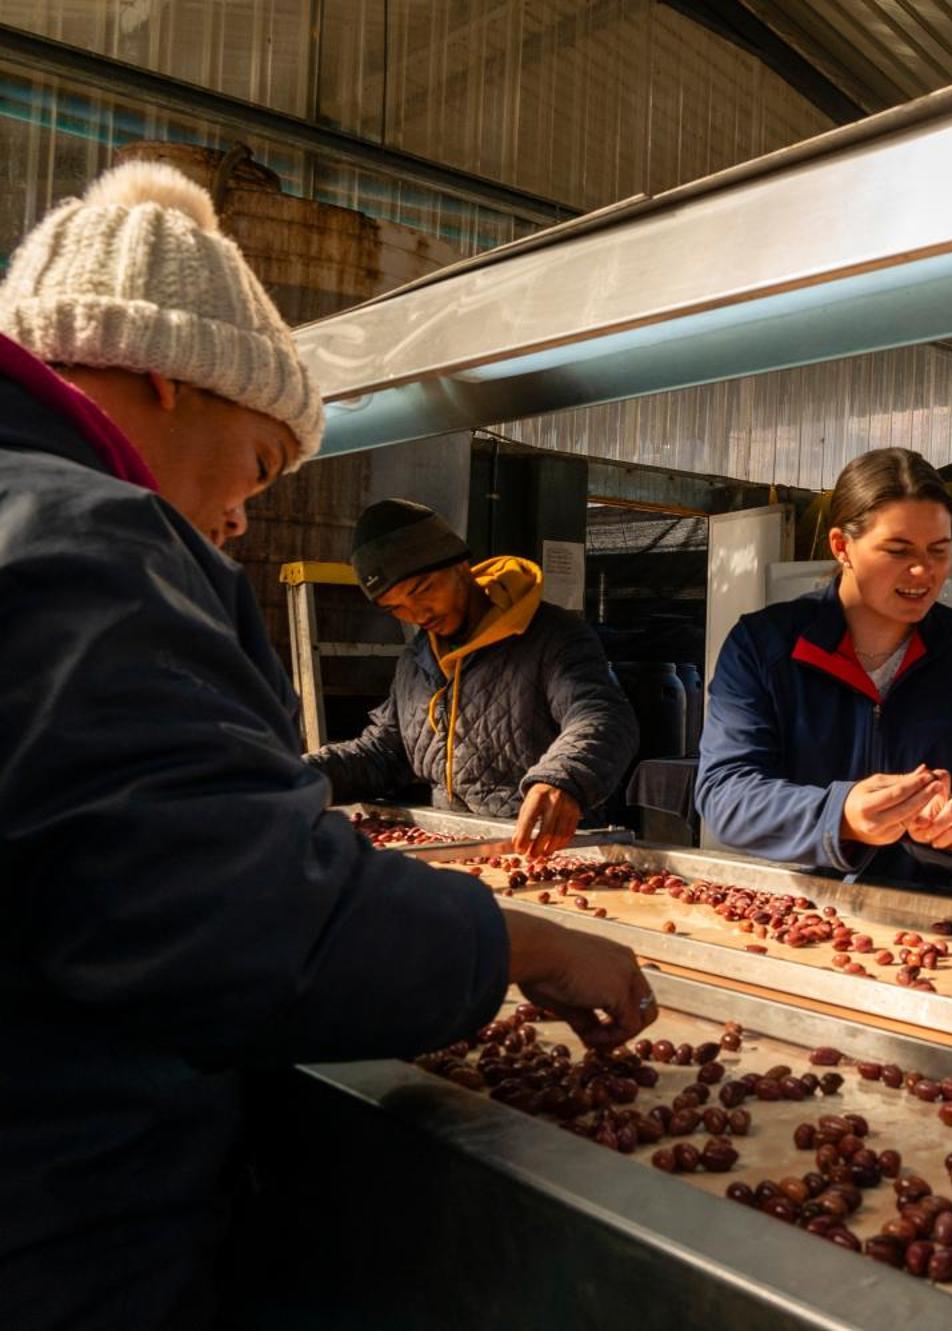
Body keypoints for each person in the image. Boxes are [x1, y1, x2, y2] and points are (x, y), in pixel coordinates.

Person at [0, 161, 651, 1330]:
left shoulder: (547, 631)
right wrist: (505, 939)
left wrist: (558, 775)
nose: (243, 515)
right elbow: (230, 909)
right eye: (257, 463)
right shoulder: (84, 540)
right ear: (166, 376)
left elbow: (597, 717)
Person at [696, 447, 952, 886]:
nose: (922, 571)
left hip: (928, 923)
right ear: (842, 547)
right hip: (792, 906)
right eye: (897, 549)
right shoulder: (765, 646)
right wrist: (841, 814)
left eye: (939, 551)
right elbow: (725, 791)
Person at [304, 499, 638, 857]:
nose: (416, 613)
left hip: (546, 850)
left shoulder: (552, 636)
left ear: (460, 565)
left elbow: (602, 715)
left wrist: (566, 777)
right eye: (395, 607)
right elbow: (385, 753)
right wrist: (297, 774)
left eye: (422, 589)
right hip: (457, 849)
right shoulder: (417, 660)